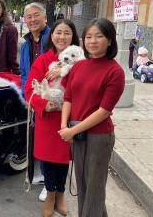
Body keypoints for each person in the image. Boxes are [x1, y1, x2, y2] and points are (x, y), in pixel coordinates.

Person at [59, 18, 125, 217]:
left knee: (94, 190)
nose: (93, 41)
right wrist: (64, 126)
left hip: (98, 137)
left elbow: (104, 111)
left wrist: (72, 130)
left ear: (110, 40)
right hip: (76, 134)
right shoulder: (79, 66)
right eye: (88, 37)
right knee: (83, 184)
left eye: (99, 36)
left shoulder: (115, 71)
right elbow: (68, 97)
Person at [24, 19, 80, 217]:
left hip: (70, 119)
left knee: (64, 159)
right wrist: (42, 105)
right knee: (48, 159)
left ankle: (60, 194)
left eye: (67, 33)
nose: (62, 37)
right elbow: (29, 88)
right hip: (47, 119)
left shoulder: (80, 61)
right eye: (58, 32)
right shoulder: (43, 60)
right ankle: (50, 194)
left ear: (73, 36)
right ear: (52, 35)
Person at [19, 2, 51, 201]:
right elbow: (24, 72)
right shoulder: (26, 43)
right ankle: (45, 175)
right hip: (34, 97)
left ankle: (51, 183)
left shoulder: (53, 37)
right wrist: (27, 95)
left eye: (36, 15)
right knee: (38, 137)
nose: (32, 19)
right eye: (28, 16)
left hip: (51, 97)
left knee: (51, 141)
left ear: (45, 18)